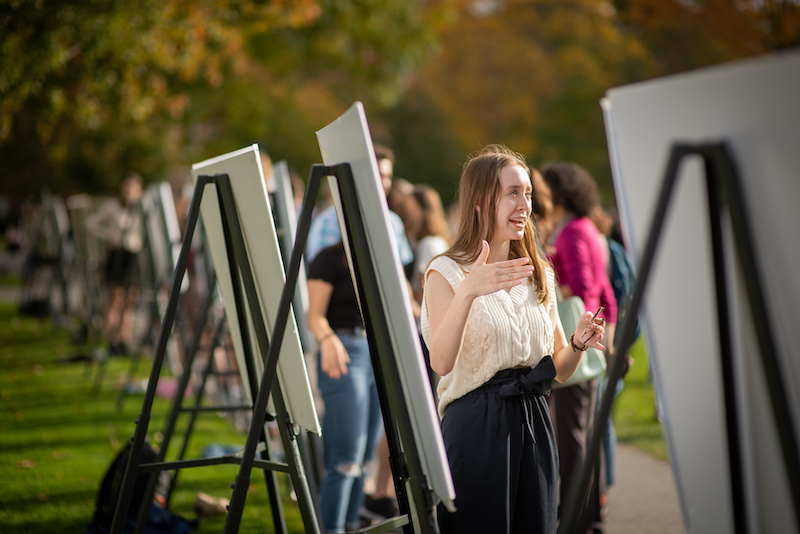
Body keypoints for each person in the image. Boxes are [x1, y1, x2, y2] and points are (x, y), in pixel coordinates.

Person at [421, 145, 606, 533]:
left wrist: (576, 343)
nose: (525, 205)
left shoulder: (540, 273)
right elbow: (440, 362)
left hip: (535, 422)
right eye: (512, 193)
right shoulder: (446, 272)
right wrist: (470, 290)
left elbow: (558, 371)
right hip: (475, 426)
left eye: (528, 193)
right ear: (481, 200)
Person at [541, 161, 617, 533]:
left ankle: (574, 519)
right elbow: (603, 289)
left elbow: (584, 288)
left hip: (575, 346)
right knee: (586, 437)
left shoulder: (569, 232)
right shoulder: (585, 227)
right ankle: (590, 515)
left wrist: (561, 290)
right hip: (589, 345)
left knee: (572, 441)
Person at [307, 241, 384, 533]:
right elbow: (313, 315)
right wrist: (327, 340)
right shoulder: (329, 258)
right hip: (343, 353)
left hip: (377, 353)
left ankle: (351, 524)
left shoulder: (378, 254)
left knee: (365, 460)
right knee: (346, 460)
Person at [85, 174, 144, 355]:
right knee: (116, 298)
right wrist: (110, 236)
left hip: (133, 255)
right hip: (118, 255)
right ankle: (112, 339)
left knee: (129, 299)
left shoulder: (141, 208)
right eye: (126, 188)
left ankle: (124, 339)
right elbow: (90, 223)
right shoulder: (113, 206)